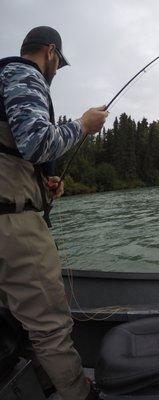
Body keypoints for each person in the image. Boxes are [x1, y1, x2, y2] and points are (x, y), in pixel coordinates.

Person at [0, 26, 108, 399]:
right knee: (49, 325)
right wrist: (83, 126)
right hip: (13, 228)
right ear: (49, 52)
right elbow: (36, 142)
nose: (57, 71)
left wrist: (43, 184)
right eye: (59, 63)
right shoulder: (23, 75)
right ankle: (79, 393)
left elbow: (16, 152)